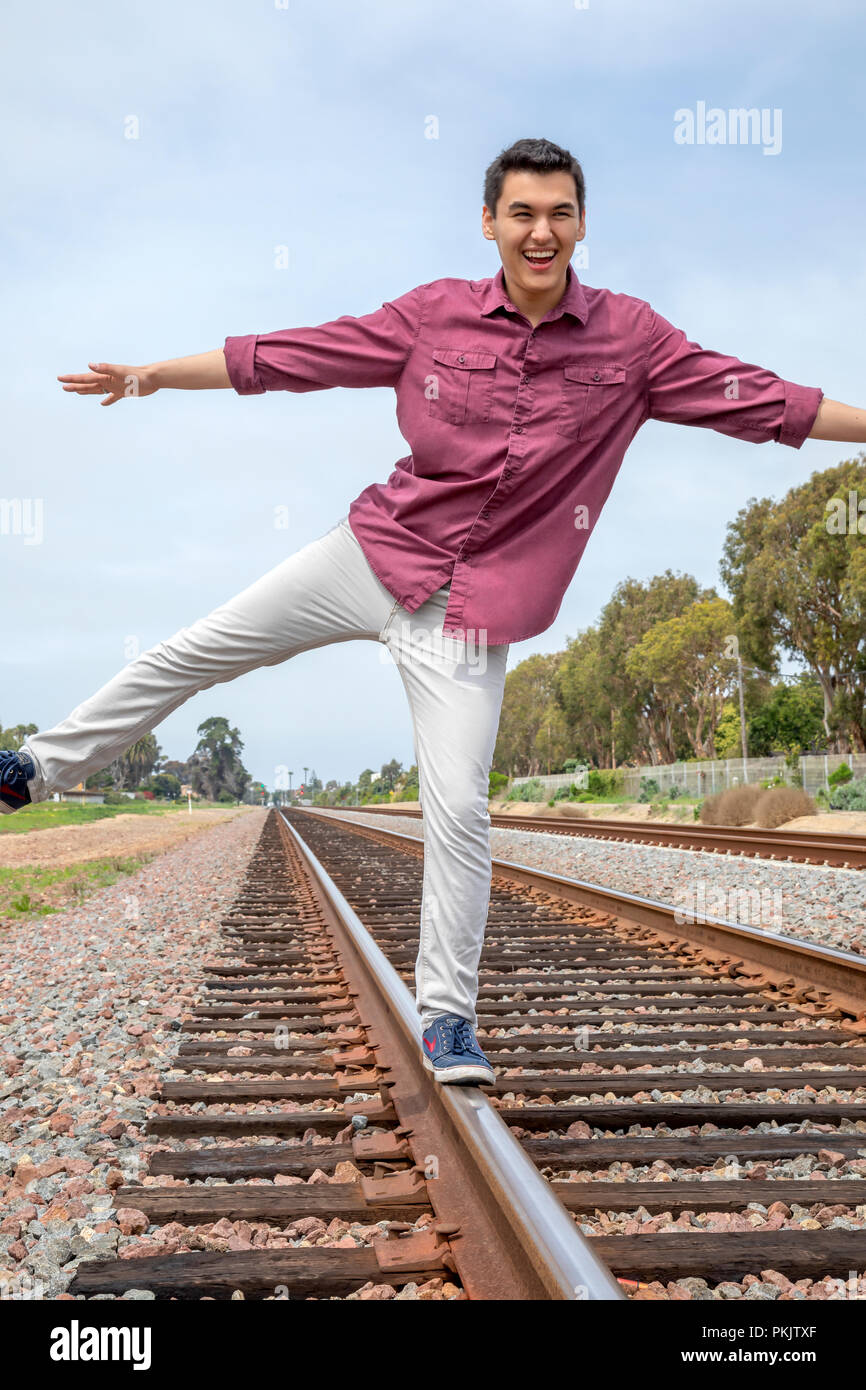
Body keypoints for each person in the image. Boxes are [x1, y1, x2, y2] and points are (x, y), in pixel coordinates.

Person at [2, 136, 863, 1085]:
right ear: (490, 222)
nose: (542, 233)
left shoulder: (634, 341)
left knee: (458, 813)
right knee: (195, 650)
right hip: (375, 552)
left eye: (560, 214)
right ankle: (34, 768)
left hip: (473, 610)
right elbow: (293, 356)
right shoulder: (434, 314)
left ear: (582, 225)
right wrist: (154, 374)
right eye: (523, 214)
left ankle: (447, 1020)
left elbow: (764, 400)